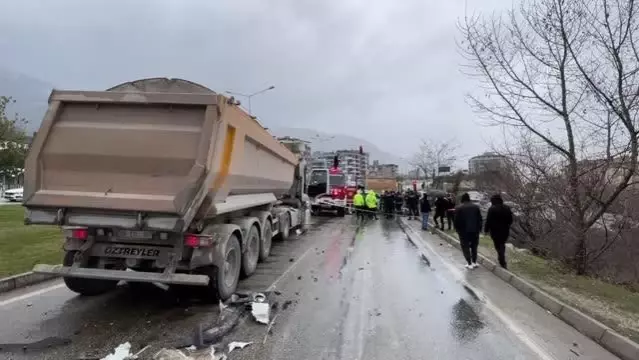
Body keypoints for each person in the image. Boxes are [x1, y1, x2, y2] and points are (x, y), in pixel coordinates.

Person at [454, 193, 483, 269]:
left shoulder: (459, 208)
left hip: (463, 231)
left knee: (465, 246)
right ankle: (474, 262)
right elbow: (480, 219)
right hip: (475, 230)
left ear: (462, 199)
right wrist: (479, 229)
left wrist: (457, 229)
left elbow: (456, 220)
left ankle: (469, 263)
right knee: (474, 246)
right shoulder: (476, 207)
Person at [484, 194, 513, 269]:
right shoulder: (507, 208)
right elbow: (510, 220)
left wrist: (486, 230)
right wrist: (507, 225)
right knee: (502, 244)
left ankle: (501, 259)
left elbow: (488, 220)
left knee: (497, 245)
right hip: (505, 230)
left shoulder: (492, 209)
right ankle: (502, 259)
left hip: (495, 231)